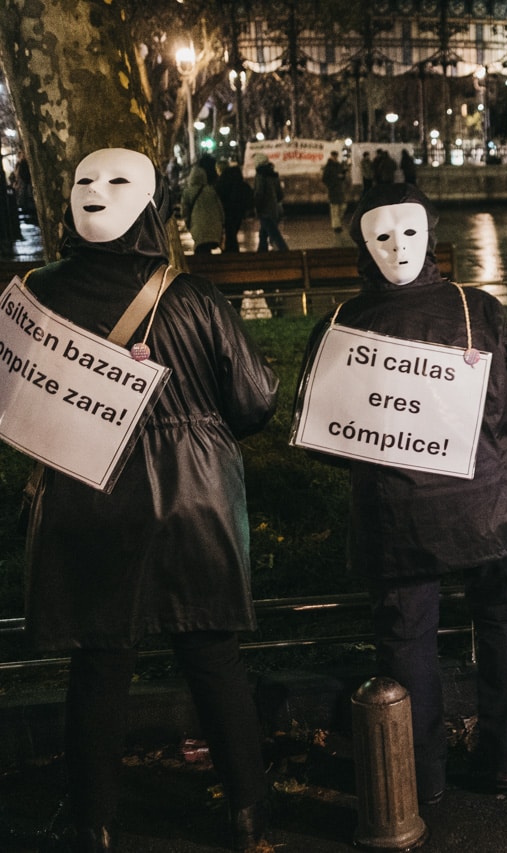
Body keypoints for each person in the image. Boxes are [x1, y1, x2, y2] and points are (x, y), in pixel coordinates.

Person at [22, 148, 279, 851]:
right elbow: (255, 399)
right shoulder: (192, 297)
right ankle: (249, 812)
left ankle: (93, 820)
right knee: (213, 659)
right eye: (87, 179)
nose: (95, 190)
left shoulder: (34, 295)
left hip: (88, 501)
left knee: (99, 662)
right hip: (194, 501)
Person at [295, 183, 507, 802]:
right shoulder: (479, 310)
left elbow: (323, 432)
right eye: (384, 234)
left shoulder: (340, 324)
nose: (398, 246)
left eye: (407, 231)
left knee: (406, 642)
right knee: (504, 623)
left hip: (396, 519)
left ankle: (419, 777)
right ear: (362, 243)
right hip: (488, 508)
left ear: (430, 234)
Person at [181, 161, 224, 254]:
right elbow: (220, 210)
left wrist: (188, 223)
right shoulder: (211, 190)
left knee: (200, 251)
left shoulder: (187, 192)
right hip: (214, 228)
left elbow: (184, 211)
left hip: (198, 228)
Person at [252, 153, 288, 252]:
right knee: (263, 234)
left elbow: (259, 193)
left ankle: (285, 253)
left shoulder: (260, 175)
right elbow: (280, 194)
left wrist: (256, 207)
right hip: (274, 210)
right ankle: (261, 252)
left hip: (264, 210)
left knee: (274, 235)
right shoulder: (273, 175)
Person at [215, 162, 254, 254]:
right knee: (232, 232)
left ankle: (229, 252)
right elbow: (249, 196)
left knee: (229, 233)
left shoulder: (222, 183)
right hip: (238, 213)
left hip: (227, 212)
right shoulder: (241, 184)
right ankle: (232, 251)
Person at [321, 150, 347, 234]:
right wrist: (333, 182)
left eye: (336, 156)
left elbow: (343, 176)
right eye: (334, 156)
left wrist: (342, 176)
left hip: (340, 189)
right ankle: (336, 226)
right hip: (333, 190)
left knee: (343, 207)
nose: (335, 157)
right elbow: (324, 179)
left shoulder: (339, 165)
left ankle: (337, 222)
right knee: (334, 209)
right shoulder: (328, 167)